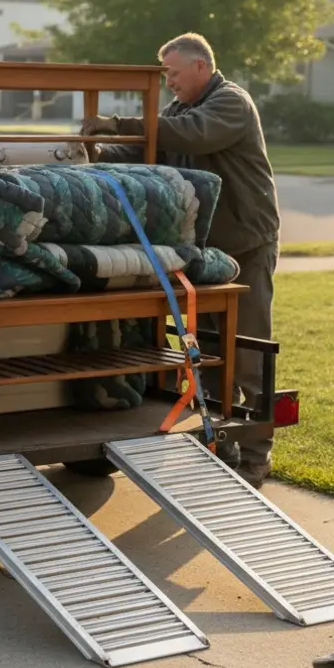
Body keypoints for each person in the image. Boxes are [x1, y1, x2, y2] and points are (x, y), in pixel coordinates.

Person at [80, 32, 280, 488]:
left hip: (247, 245)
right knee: (207, 351)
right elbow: (141, 148)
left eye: (172, 72)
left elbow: (193, 135)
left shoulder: (230, 103)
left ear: (201, 68)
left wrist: (116, 121)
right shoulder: (175, 112)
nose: (167, 81)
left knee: (246, 351)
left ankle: (256, 456)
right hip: (206, 252)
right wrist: (90, 151)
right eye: (164, 73)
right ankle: (221, 448)